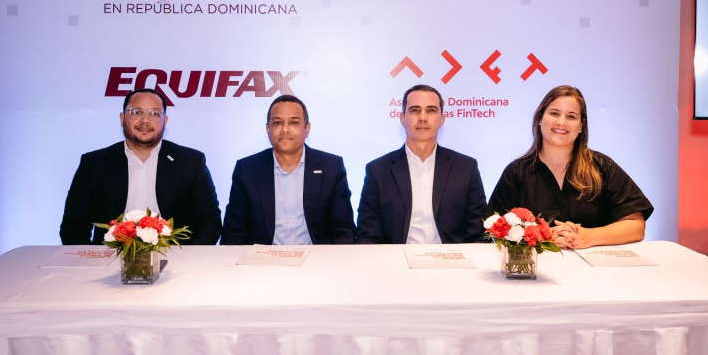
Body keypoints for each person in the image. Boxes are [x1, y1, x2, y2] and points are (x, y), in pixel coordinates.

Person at [488, 85, 653, 249]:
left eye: (571, 116)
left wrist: (588, 237)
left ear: (581, 125)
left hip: (596, 265)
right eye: (554, 113)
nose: (561, 122)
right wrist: (543, 236)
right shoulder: (516, 172)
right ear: (540, 118)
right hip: (538, 265)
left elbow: (636, 226)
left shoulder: (602, 166)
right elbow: (495, 229)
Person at [60, 88, 222, 245]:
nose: (145, 120)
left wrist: (187, 258)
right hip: (109, 256)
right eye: (136, 112)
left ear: (165, 121)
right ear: (122, 118)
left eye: (155, 114)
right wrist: (93, 259)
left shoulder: (191, 162)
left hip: (174, 257)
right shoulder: (94, 163)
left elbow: (209, 221)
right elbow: (73, 226)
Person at [356, 84, 487, 244]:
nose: (423, 118)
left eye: (431, 110)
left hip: (453, 258)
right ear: (402, 118)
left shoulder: (466, 168)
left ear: (442, 119)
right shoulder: (378, 171)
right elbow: (368, 235)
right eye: (415, 110)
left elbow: (478, 234)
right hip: (396, 258)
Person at [221, 95, 356, 245]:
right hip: (261, 258)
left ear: (307, 129)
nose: (285, 129)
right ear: (268, 129)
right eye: (277, 122)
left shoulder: (331, 167)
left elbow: (344, 230)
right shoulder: (247, 170)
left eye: (294, 122)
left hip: (317, 257)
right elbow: (233, 233)